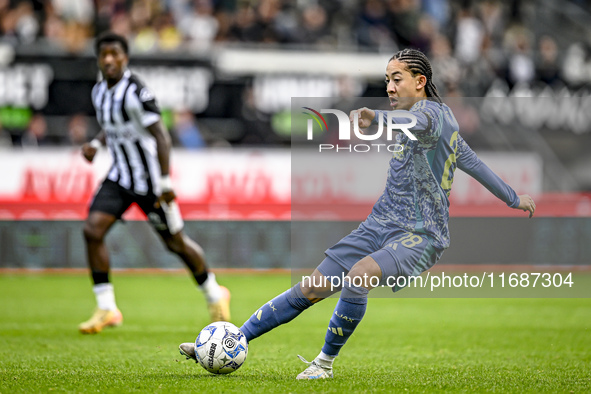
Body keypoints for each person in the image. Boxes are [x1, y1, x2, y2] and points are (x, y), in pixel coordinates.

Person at [179, 48, 536, 378]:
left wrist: (374, 117)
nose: (390, 87)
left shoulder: (431, 116)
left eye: (397, 79)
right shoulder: (425, 122)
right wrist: (512, 197)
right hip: (378, 224)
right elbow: (471, 162)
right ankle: (224, 344)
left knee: (359, 275)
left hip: (422, 235)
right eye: (387, 80)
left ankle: (324, 363)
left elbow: (417, 126)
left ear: (420, 82)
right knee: (311, 288)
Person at [79, 32, 230, 334]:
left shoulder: (137, 91)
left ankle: (215, 293)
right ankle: (107, 307)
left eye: (115, 54)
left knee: (175, 243)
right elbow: (112, 124)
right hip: (119, 177)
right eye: (104, 54)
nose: (109, 59)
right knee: (91, 230)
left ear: (126, 58)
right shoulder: (99, 91)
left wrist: (163, 182)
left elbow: (161, 135)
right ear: (99, 59)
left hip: (149, 182)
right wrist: (96, 142)